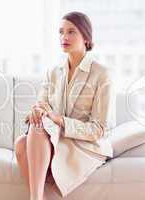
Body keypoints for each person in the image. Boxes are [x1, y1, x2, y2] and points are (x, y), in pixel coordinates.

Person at [14, 11, 113, 200]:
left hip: (85, 144)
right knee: (22, 142)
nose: (63, 37)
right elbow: (41, 105)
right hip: (56, 139)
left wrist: (58, 120)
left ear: (86, 37)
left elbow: (99, 129)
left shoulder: (101, 74)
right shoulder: (53, 72)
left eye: (71, 32)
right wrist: (37, 111)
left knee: (34, 132)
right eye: (61, 32)